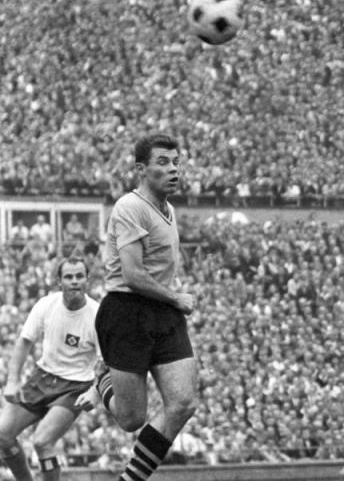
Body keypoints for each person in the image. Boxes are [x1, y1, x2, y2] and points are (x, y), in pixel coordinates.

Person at [94, 134, 198, 481]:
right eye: (164, 163)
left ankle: (131, 479)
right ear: (141, 169)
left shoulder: (167, 208)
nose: (173, 169)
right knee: (131, 420)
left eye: (176, 162)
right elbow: (134, 275)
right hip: (127, 312)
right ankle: (102, 382)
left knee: (183, 403)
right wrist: (175, 298)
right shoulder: (130, 206)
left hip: (162, 313)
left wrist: (170, 298)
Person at [0, 258, 100, 481]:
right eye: (69, 277)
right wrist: (12, 380)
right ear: (59, 281)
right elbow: (24, 342)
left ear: (87, 280)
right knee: (3, 435)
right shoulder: (46, 305)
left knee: (42, 442)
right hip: (43, 378)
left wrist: (95, 391)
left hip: (75, 386)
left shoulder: (97, 315)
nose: (74, 282)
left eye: (79, 276)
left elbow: (109, 362)